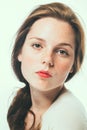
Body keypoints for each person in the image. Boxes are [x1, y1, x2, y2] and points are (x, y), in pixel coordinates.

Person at [7, 2, 87, 130]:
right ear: (19, 51)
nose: (48, 60)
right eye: (37, 45)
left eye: (62, 51)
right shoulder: (22, 104)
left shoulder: (68, 117)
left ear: (73, 64)